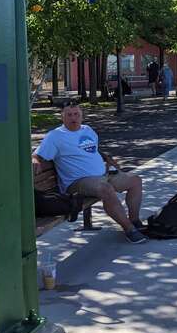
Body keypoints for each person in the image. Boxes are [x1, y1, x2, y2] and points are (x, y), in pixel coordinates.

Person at [32, 100, 147, 243]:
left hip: (102, 175)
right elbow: (38, 154)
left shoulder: (87, 130)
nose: (73, 118)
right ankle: (129, 228)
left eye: (76, 114)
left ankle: (135, 220)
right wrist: (36, 159)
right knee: (106, 189)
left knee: (135, 180)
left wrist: (106, 157)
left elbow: (92, 150)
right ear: (62, 116)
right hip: (77, 182)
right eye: (69, 115)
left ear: (81, 115)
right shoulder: (55, 136)